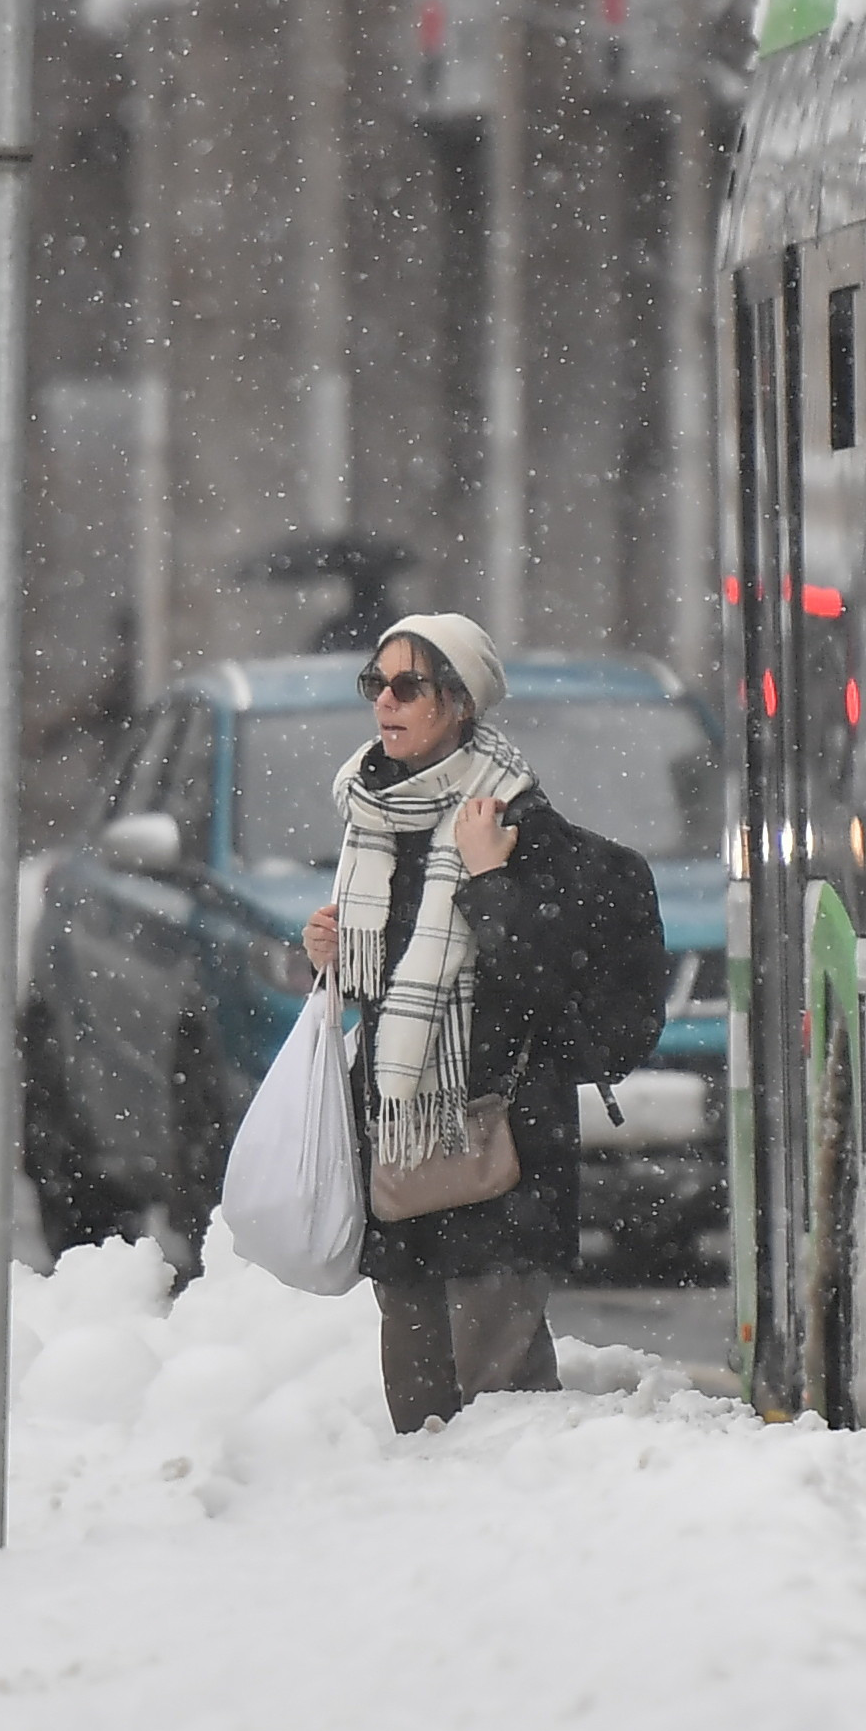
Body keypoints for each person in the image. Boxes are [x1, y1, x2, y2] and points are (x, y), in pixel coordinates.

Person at [298, 614, 597, 1434]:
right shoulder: (376, 818)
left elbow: (543, 981)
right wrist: (331, 954)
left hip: (495, 1139)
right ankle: (425, 1543)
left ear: (460, 704)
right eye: (376, 685)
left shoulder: (516, 822)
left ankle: (517, 1547)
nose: (384, 704)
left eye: (408, 686)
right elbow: (386, 980)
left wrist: (491, 878)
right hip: (403, 1141)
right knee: (417, 1398)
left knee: (502, 1399)